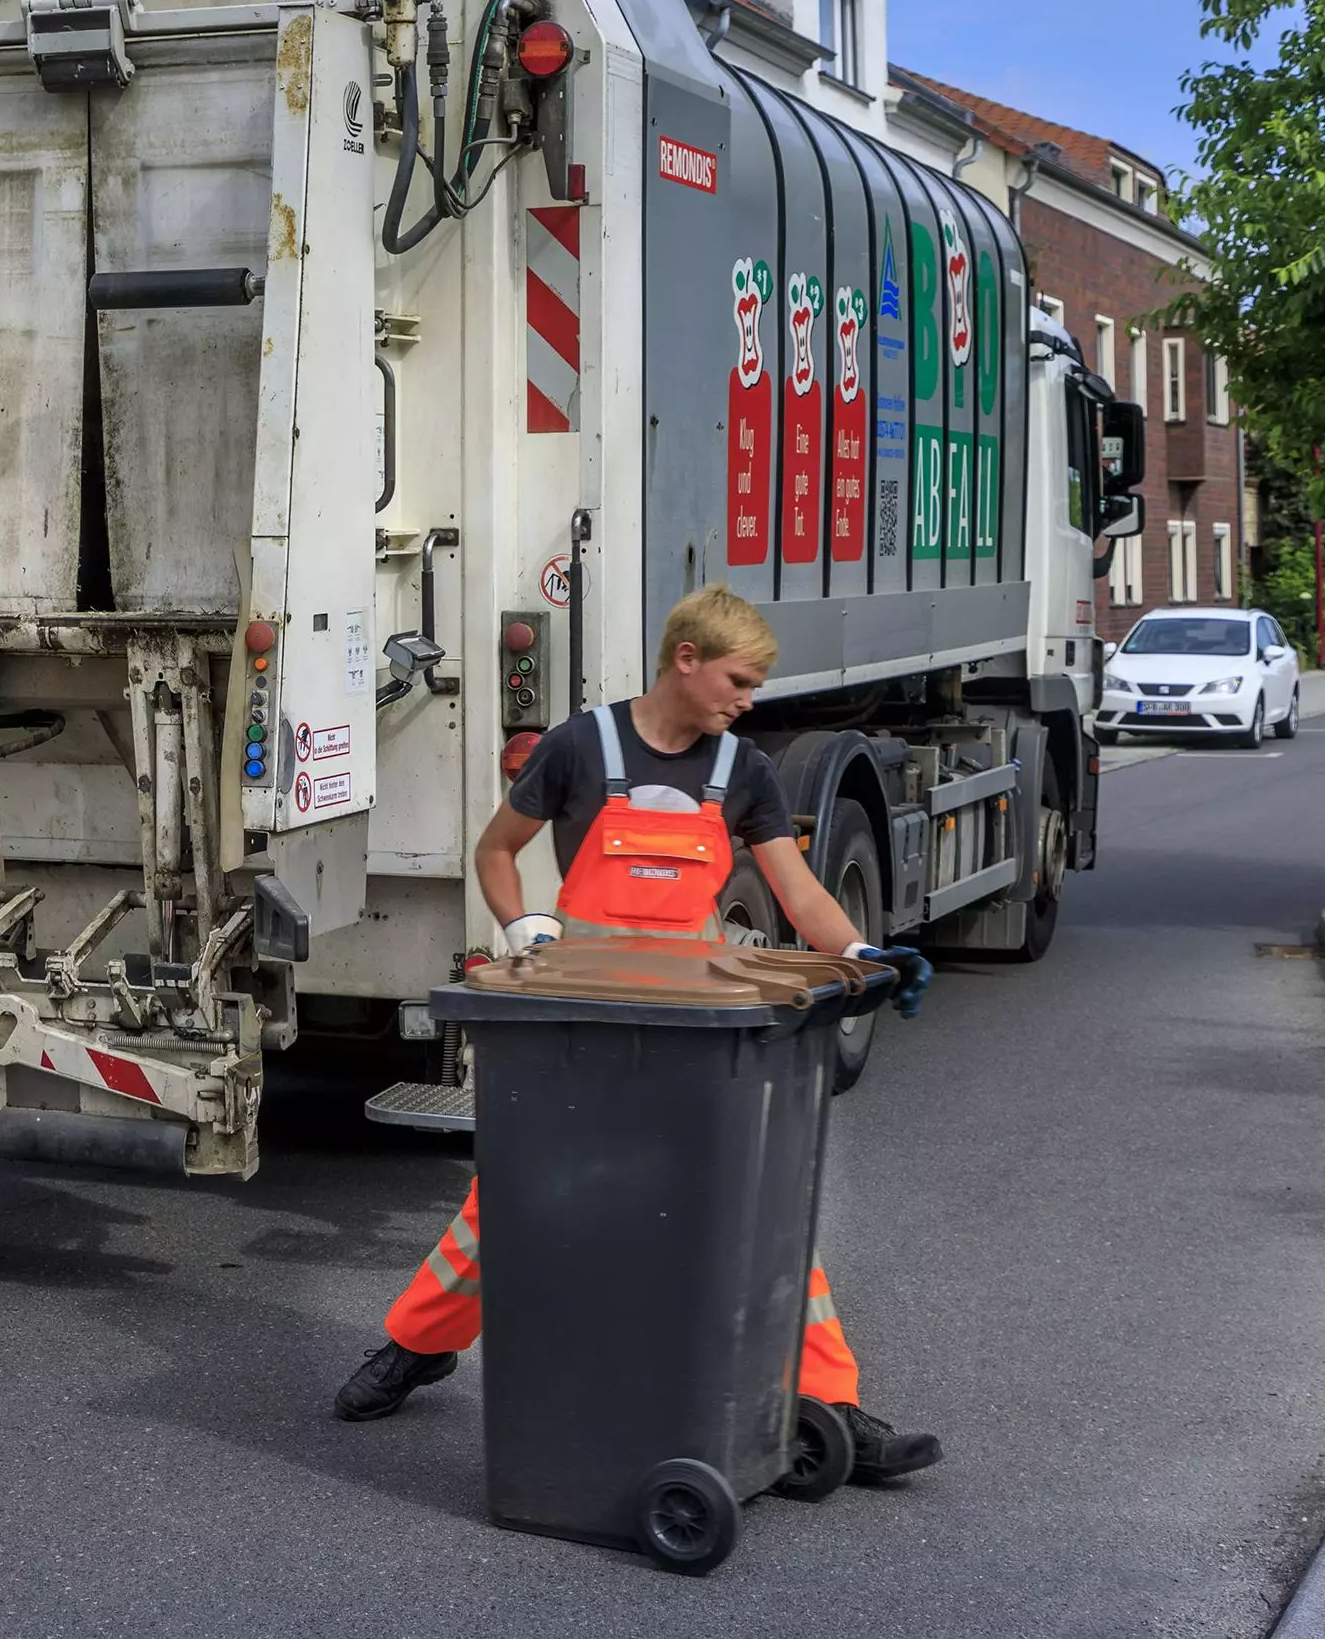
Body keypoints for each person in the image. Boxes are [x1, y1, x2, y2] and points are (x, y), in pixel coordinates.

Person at [334, 584, 941, 1482]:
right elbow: (496, 851)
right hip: (580, 1015)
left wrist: (861, 951)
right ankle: (418, 1345)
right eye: (739, 679)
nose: (749, 698)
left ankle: (832, 1403)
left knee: (762, 1205)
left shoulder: (745, 770)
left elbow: (799, 891)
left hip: (695, 1025)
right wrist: (522, 927)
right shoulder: (583, 745)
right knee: (512, 1198)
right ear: (685, 659)